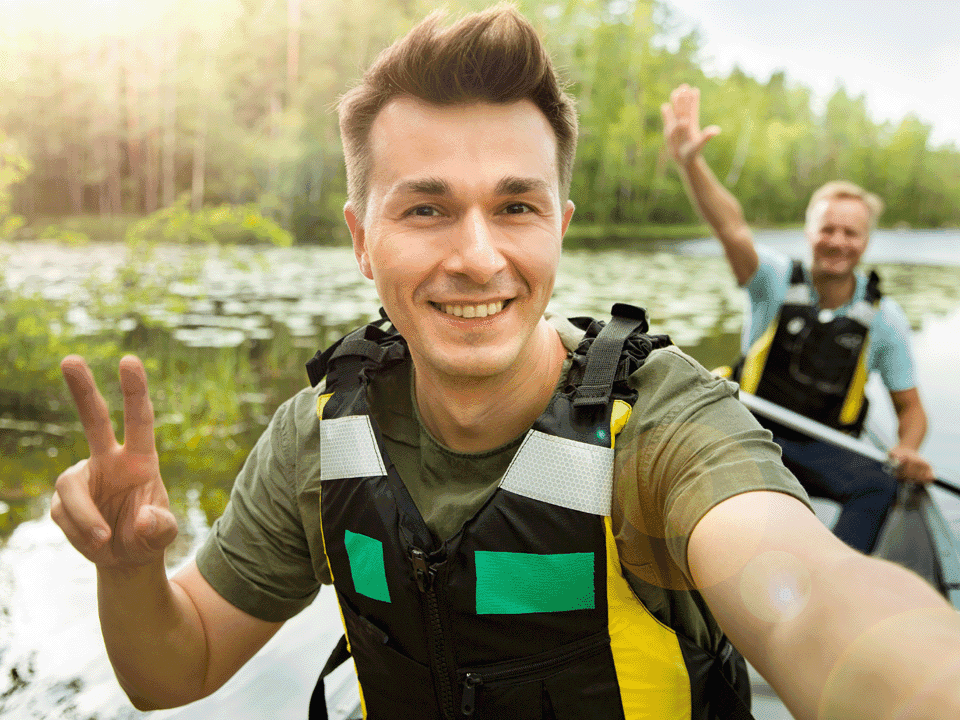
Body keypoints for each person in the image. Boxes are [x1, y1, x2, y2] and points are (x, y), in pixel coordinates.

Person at [52, 7, 960, 720]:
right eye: (425, 210)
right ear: (361, 240)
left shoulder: (661, 424)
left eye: (516, 206)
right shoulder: (318, 438)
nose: (478, 256)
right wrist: (127, 571)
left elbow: (815, 601)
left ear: (559, 228)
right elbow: (175, 672)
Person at [661, 83, 936, 554]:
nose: (837, 241)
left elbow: (911, 411)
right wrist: (691, 161)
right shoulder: (771, 279)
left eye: (850, 232)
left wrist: (907, 448)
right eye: (827, 228)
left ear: (865, 242)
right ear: (809, 233)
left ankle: (837, 577)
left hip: (825, 445)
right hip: (752, 428)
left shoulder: (885, 317)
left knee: (878, 486)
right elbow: (731, 226)